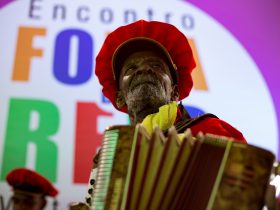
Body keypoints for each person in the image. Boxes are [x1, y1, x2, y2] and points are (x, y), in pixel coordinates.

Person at [72, 20, 278, 209]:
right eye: (131, 68)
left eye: (156, 65)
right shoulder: (112, 155)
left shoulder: (212, 131)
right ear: (119, 98)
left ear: (175, 91)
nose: (143, 70)